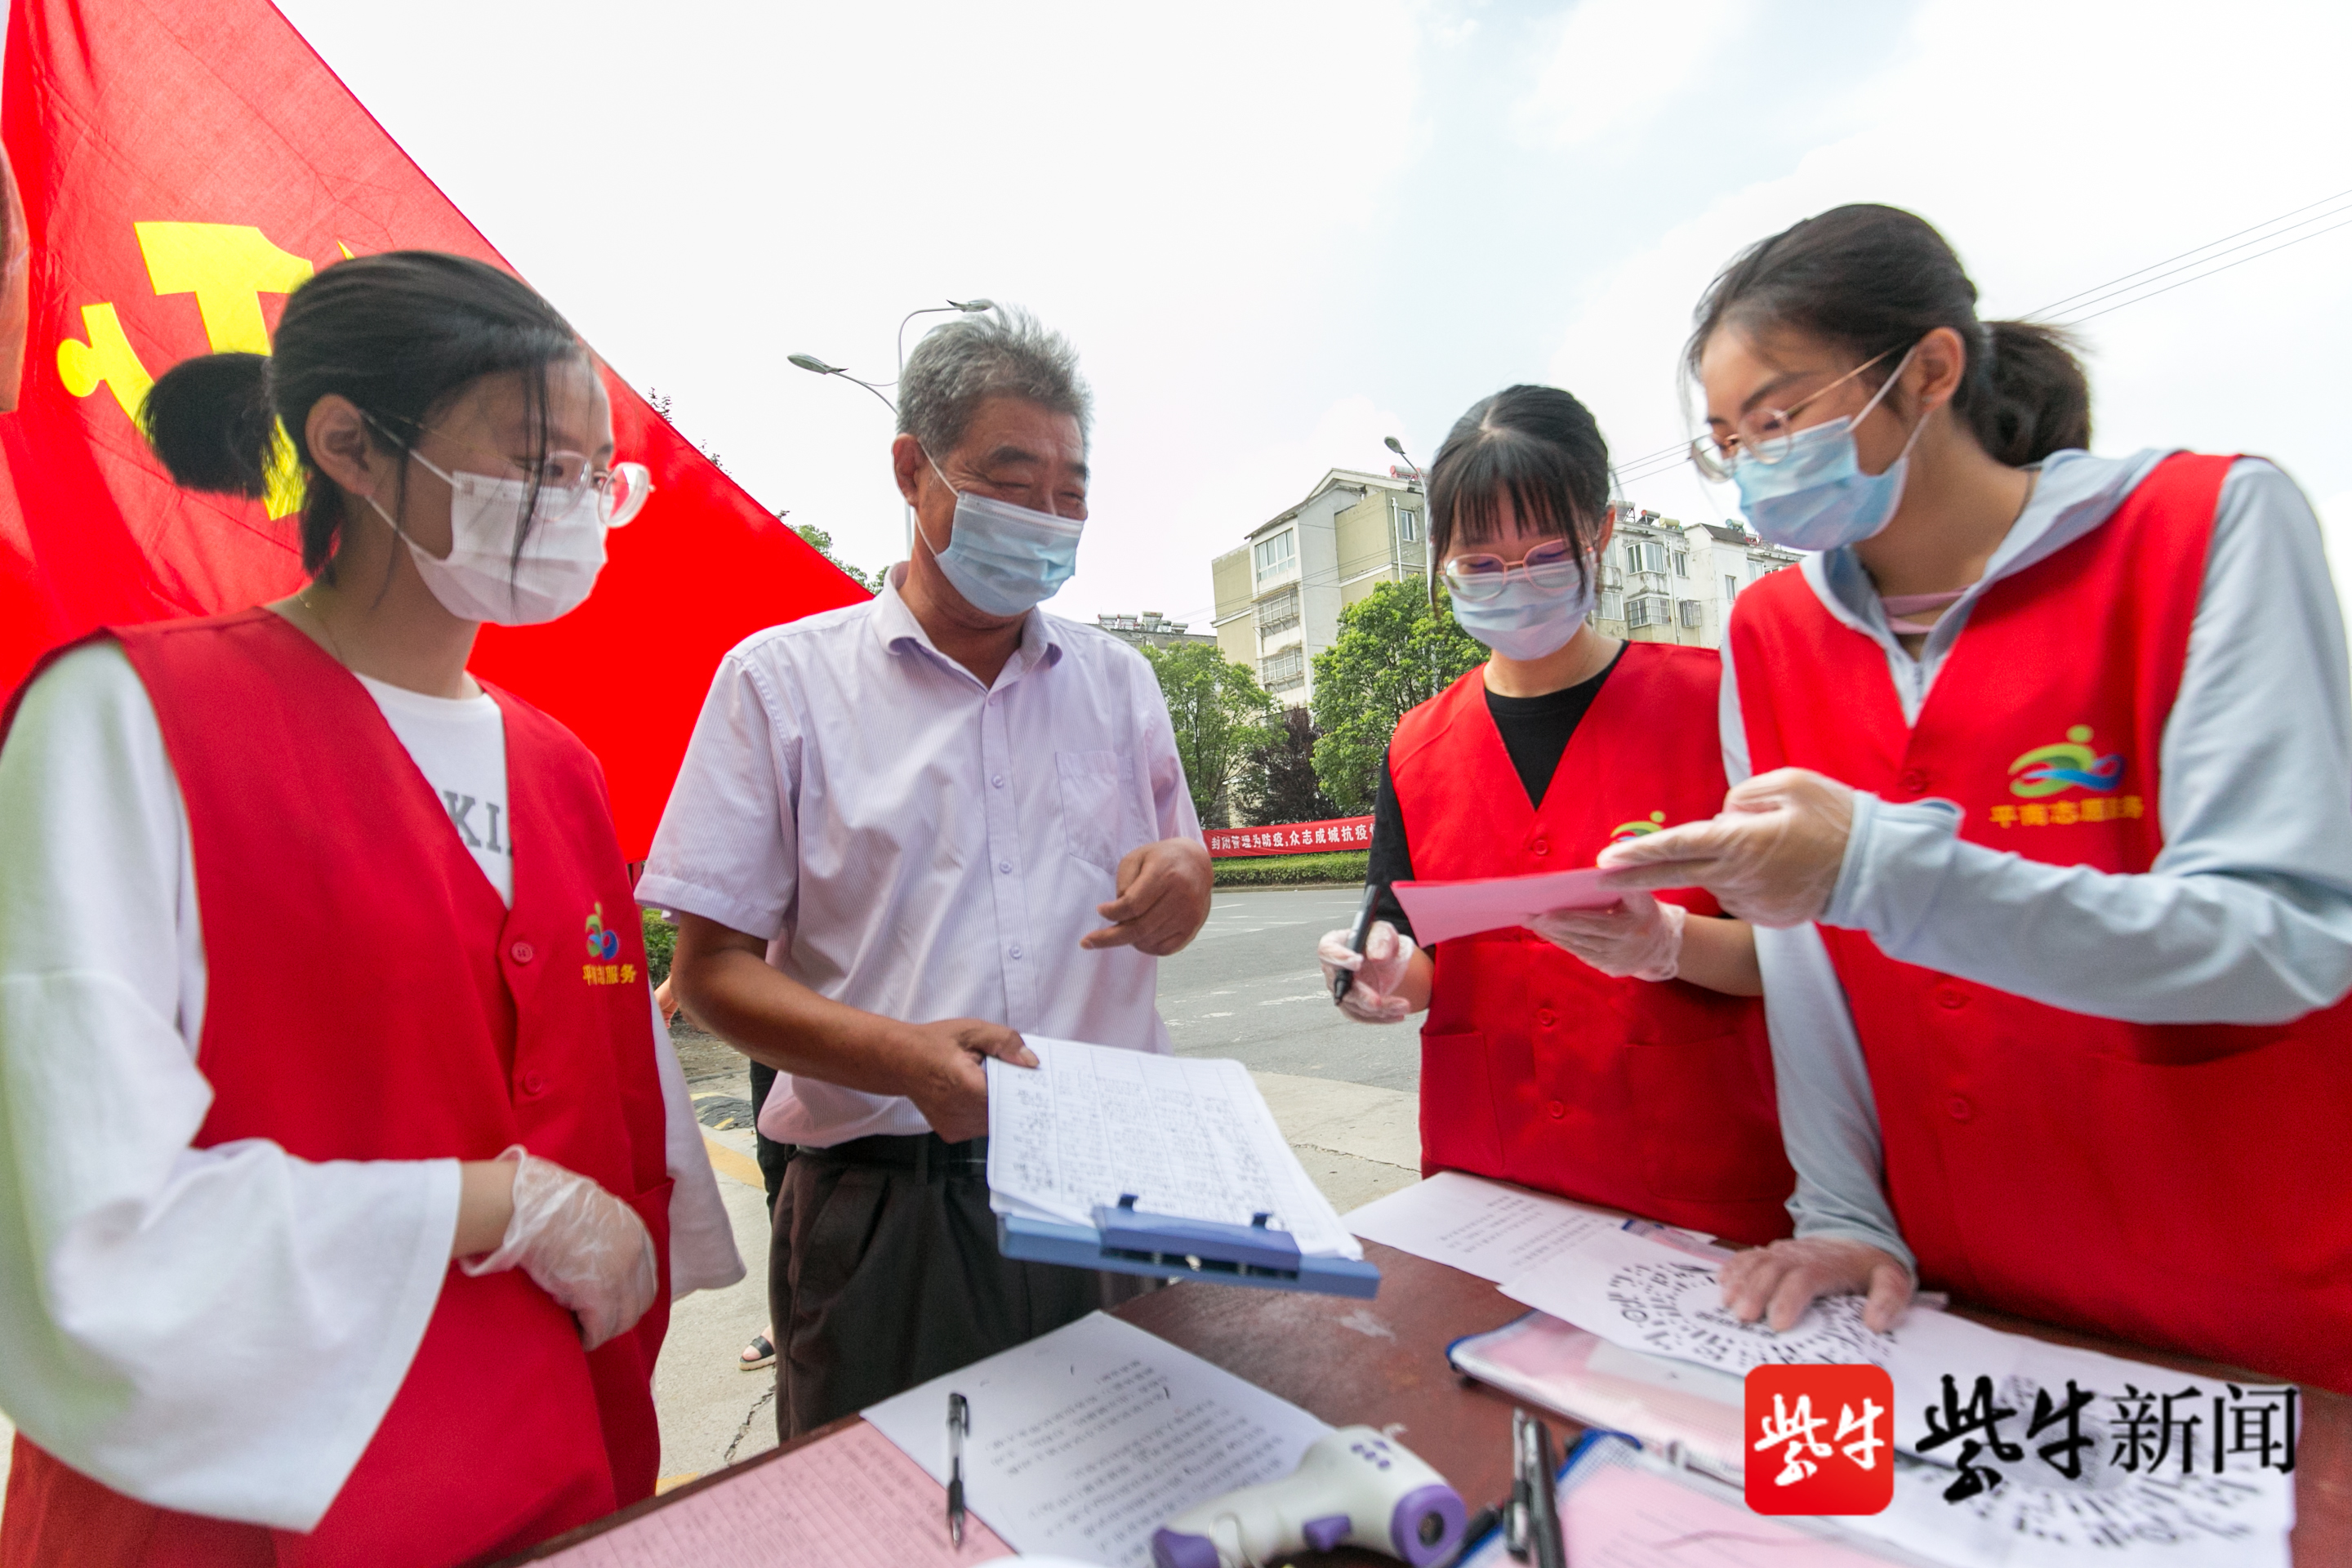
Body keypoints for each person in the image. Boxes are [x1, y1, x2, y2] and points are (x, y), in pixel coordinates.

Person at [0, 252, 742, 1566]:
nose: (571, 504)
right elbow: (84, 1220)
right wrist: (492, 1208)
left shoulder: (562, 774)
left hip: (549, 1493)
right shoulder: (123, 723)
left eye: (592, 476)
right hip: (224, 1518)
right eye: (531, 462)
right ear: (349, 442)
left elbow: (625, 1143)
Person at [1599, 203, 2352, 1390]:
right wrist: (1843, 1210)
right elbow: (1805, 957)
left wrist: (1875, 870)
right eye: (1727, 440)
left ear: (1930, 370)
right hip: (1953, 1294)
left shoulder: (2205, 530)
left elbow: (2285, 938)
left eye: (1780, 417)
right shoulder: (1773, 630)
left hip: (2242, 1294)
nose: (1755, 466)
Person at [642, 308, 1213, 1438]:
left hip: (1115, 1184)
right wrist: (906, 1060)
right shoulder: (780, 685)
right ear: (913, 470)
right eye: (1013, 481)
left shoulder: (1120, 685)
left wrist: (1185, 886)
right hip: (893, 1213)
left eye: (1071, 492)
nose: (1046, 520)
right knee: (894, 1529)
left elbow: (1175, 885)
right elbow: (707, 975)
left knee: (1130, 1490)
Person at [1314, 385, 1794, 1245]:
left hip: (1698, 1193)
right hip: (1490, 1190)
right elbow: (1411, 953)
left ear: (1600, 532)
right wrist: (1374, 975)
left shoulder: (1719, 704)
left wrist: (1670, 947)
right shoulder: (1418, 746)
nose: (1514, 582)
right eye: (1482, 562)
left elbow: (1801, 959)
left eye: (1542, 554)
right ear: (1444, 559)